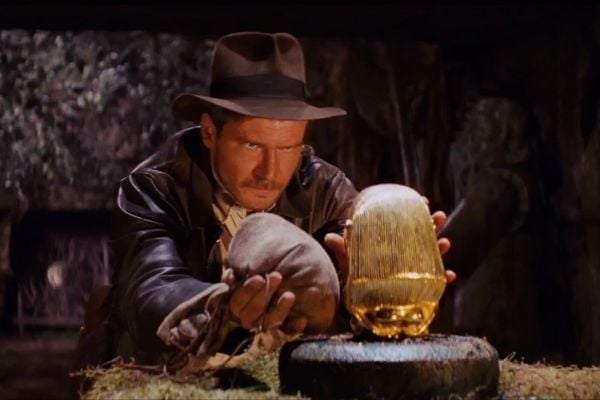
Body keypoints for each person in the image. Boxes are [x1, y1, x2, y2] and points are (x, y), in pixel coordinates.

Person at [104, 31, 454, 365]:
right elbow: (149, 291)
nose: (269, 171)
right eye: (251, 145)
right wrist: (223, 310)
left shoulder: (326, 191)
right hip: (167, 372)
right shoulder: (153, 190)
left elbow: (349, 306)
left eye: (288, 148)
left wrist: (373, 281)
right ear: (210, 132)